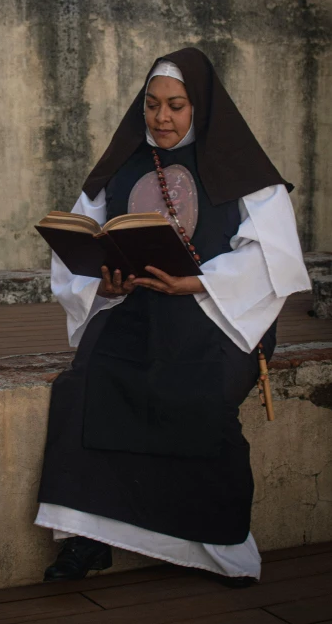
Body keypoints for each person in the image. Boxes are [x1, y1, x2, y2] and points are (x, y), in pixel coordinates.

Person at [35, 47, 310, 587]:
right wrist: (104, 283)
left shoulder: (242, 170)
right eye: (153, 105)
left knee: (197, 394)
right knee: (87, 383)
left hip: (214, 318)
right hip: (131, 308)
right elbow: (79, 249)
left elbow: (273, 258)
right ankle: (88, 541)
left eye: (177, 106)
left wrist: (199, 282)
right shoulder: (122, 164)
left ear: (200, 108)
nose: (162, 118)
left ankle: (220, 549)